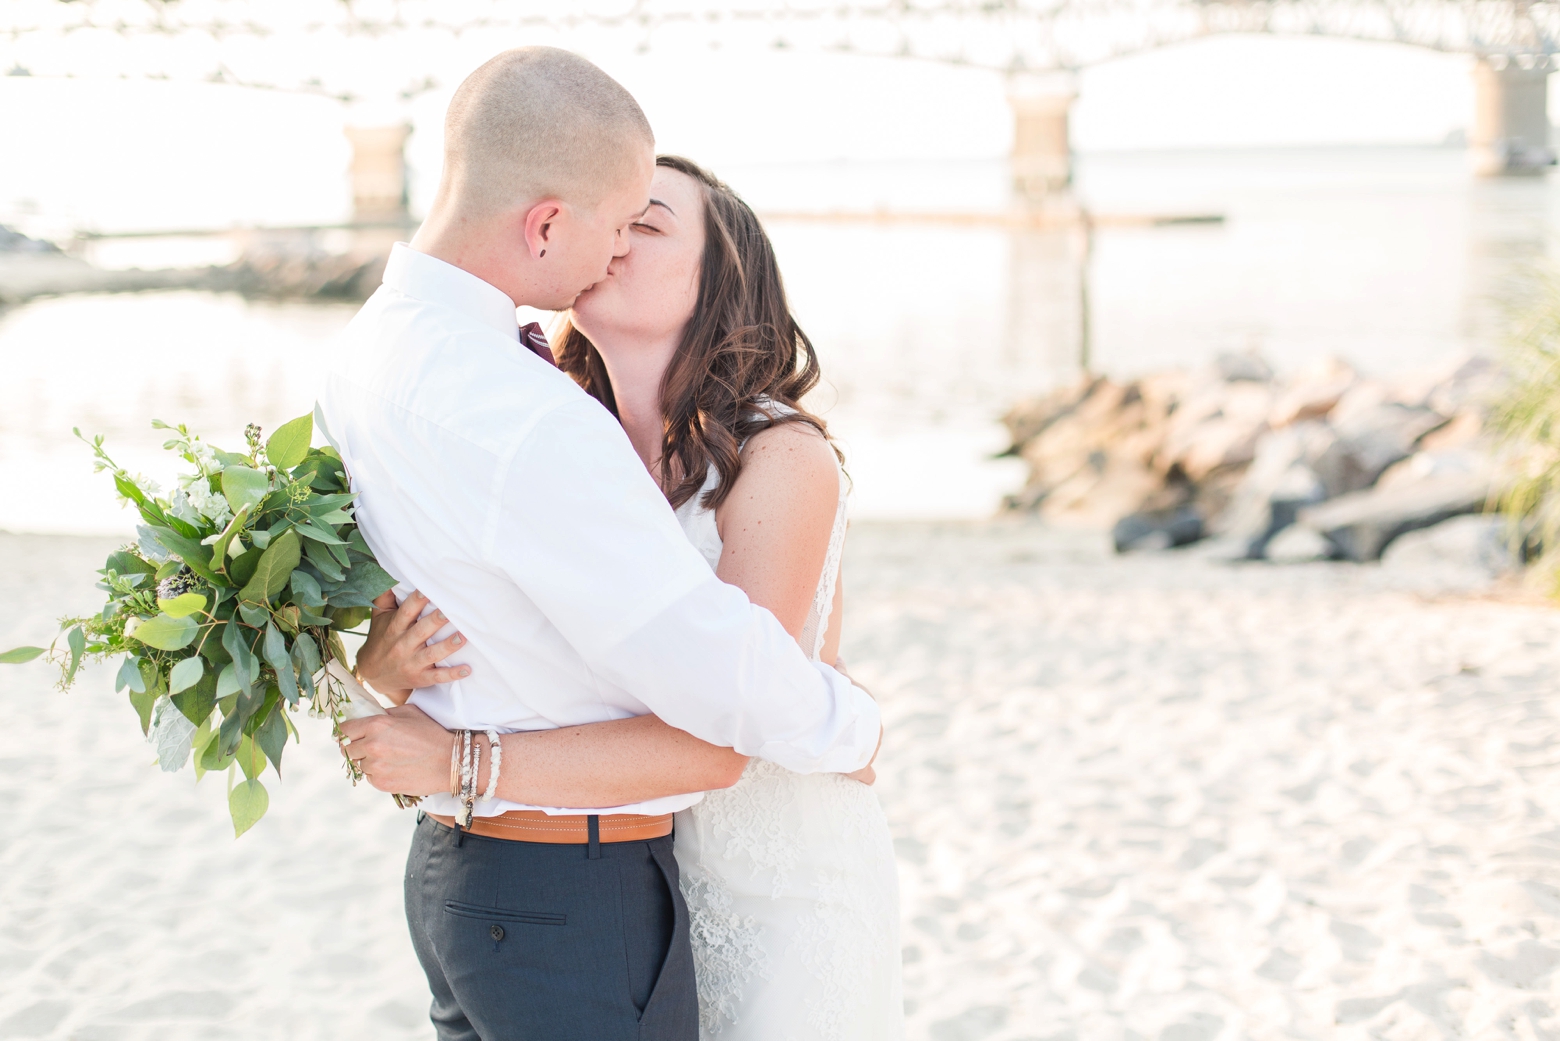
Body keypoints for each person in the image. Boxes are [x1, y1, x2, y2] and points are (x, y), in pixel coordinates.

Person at [318, 49, 882, 1041]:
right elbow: (725, 713)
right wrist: (849, 725)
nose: (617, 242)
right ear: (547, 221)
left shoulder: (379, 350)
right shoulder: (541, 422)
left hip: (619, 873)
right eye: (620, 218)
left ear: (719, 280)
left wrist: (413, 720)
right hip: (564, 887)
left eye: (644, 225)